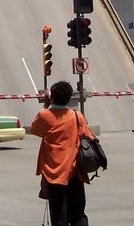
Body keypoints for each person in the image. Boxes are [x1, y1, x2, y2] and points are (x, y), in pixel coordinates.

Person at [29, 81, 93, 226]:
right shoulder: (77, 116)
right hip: (75, 171)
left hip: (54, 174)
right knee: (78, 214)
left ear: (52, 97)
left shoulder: (44, 115)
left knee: (59, 215)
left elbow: (35, 130)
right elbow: (88, 136)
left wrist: (46, 104)